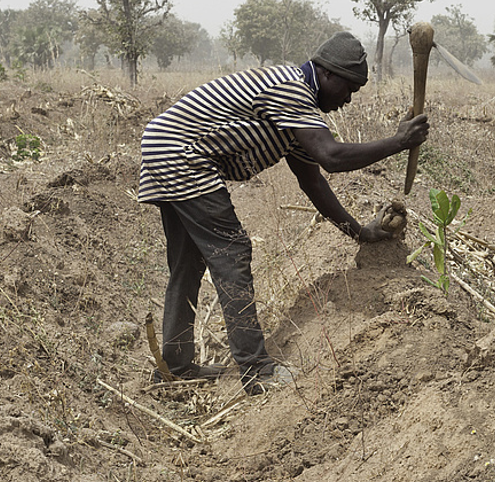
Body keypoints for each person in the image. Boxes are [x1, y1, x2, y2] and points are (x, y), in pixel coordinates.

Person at [137, 31, 429, 394]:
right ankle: (257, 371)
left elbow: (314, 181)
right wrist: (398, 143)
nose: (348, 99)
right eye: (349, 88)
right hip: (181, 153)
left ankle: (175, 368)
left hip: (166, 147)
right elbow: (332, 157)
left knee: (189, 262)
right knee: (233, 253)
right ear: (327, 75)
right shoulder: (291, 88)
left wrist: (359, 232)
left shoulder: (299, 111)